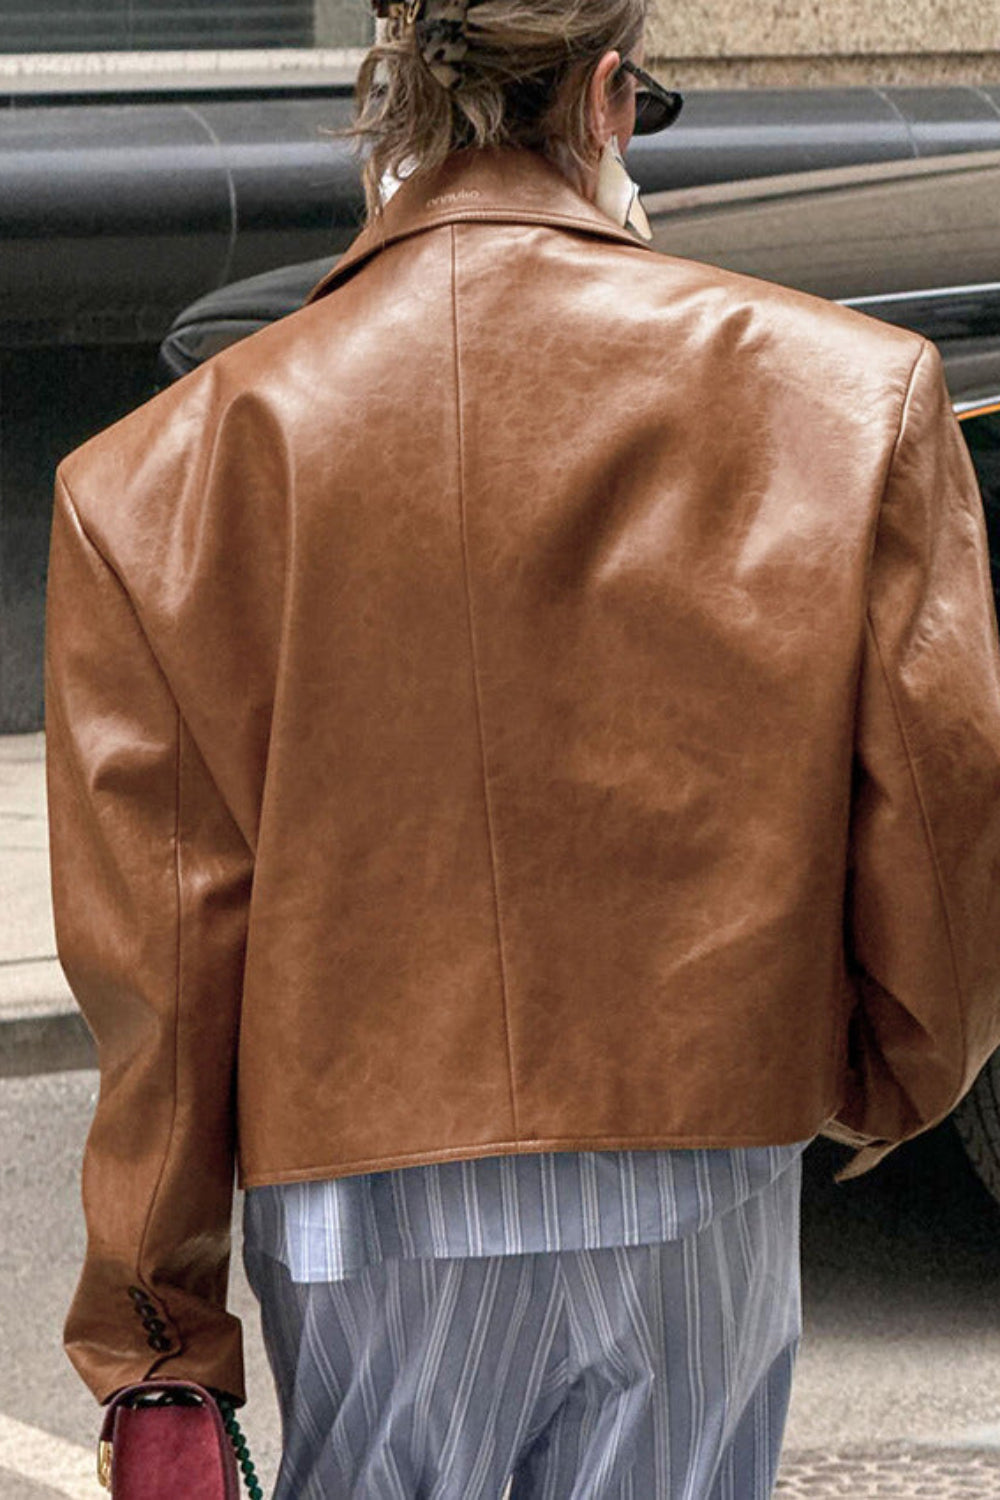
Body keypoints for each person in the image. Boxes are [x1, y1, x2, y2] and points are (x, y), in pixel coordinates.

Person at [45, 0, 1000, 1495]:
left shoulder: (159, 475)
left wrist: (157, 1333)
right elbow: (945, 818)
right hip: (702, 1147)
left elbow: (164, 958)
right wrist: (887, 1071)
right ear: (609, 95)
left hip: (360, 1193)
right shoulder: (845, 398)